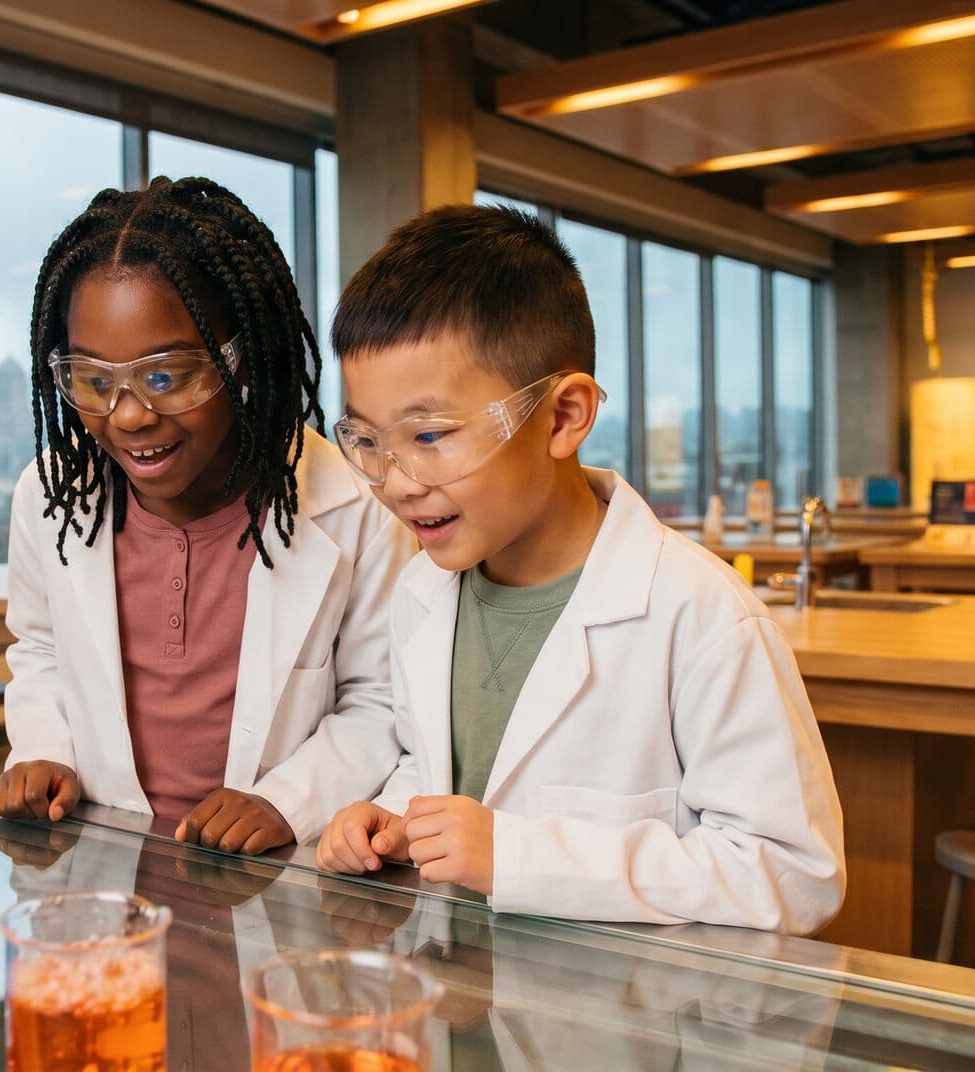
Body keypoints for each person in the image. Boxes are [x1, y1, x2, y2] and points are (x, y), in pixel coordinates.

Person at [314, 204, 844, 934]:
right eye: (368, 440)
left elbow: (792, 875)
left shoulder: (700, 615)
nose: (397, 481)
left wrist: (520, 858)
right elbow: (441, 766)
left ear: (564, 417)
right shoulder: (423, 594)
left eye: (431, 435)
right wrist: (399, 820)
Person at [0, 176, 412, 856]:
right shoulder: (49, 496)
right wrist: (43, 750)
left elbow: (381, 703)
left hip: (276, 875)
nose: (128, 414)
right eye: (94, 381)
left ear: (241, 359)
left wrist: (285, 801)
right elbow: (39, 652)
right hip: (105, 861)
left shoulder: (353, 505)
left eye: (166, 376)